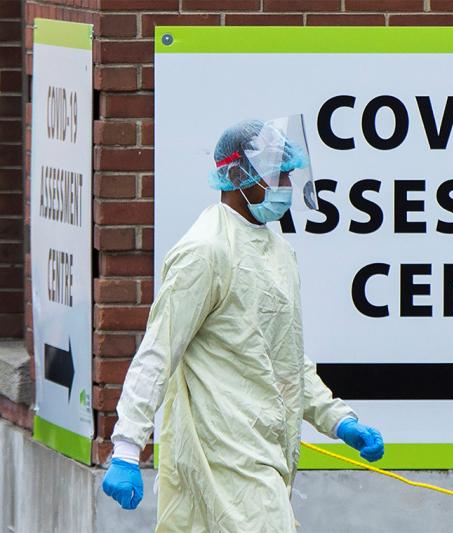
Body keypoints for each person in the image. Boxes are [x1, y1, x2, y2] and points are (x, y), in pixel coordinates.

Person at [101, 117, 384, 532]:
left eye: (289, 171)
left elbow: (284, 355)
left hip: (263, 446)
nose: (286, 182)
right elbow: (158, 352)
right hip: (220, 449)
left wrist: (337, 419)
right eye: (277, 172)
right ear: (237, 175)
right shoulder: (205, 251)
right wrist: (126, 447)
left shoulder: (279, 253)